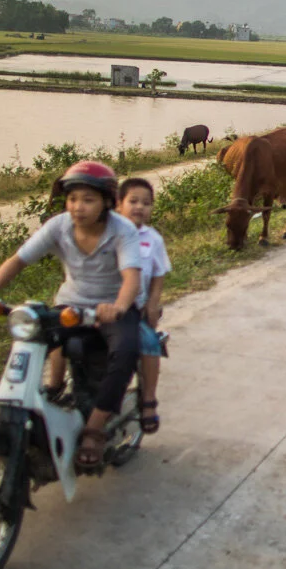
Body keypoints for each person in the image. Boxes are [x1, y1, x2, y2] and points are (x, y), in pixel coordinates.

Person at [0, 160, 142, 471]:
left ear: (106, 202)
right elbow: (18, 260)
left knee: (126, 350)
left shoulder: (122, 231)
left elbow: (131, 277)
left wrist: (117, 307)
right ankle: (32, 398)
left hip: (113, 308)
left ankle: (94, 429)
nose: (77, 207)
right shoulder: (58, 226)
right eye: (73, 199)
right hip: (71, 306)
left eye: (88, 200)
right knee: (31, 337)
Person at [117, 177, 170, 435]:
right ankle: (55, 386)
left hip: (135, 310)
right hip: (104, 307)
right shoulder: (107, 234)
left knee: (149, 343)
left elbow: (159, 274)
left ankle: (148, 400)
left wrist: (152, 304)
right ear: (119, 205)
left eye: (146, 203)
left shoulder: (153, 239)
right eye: (133, 201)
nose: (139, 207)